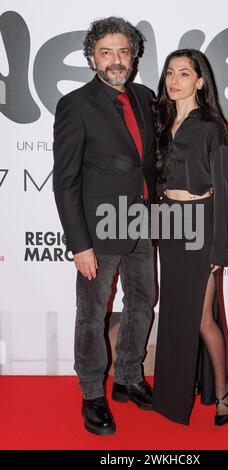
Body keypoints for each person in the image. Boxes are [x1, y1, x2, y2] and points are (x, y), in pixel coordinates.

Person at [53, 17, 156, 436]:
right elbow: (65, 181)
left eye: (124, 51)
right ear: (92, 56)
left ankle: (130, 376)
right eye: (107, 51)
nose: (116, 60)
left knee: (143, 302)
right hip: (98, 230)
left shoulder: (147, 97)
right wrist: (80, 244)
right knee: (93, 314)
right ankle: (93, 391)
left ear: (133, 57)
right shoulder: (76, 105)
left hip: (145, 223)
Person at [152, 49, 228, 426]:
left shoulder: (210, 126)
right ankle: (171, 395)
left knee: (202, 318)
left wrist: (220, 246)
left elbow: (224, 189)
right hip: (169, 223)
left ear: (200, 81)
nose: (174, 80)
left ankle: (223, 392)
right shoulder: (161, 120)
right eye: (170, 72)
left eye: (184, 74)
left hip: (200, 225)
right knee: (171, 313)